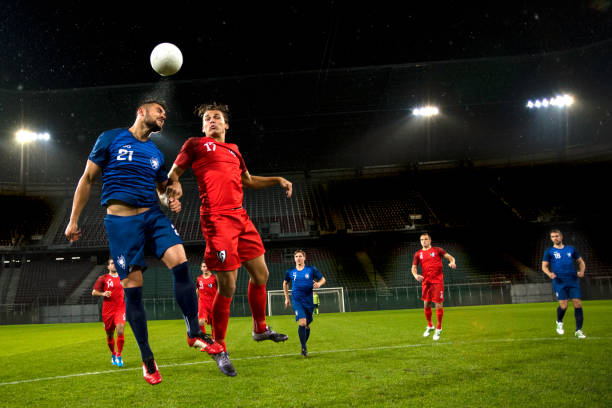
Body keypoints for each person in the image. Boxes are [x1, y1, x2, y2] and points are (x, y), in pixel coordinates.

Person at [65, 100, 222, 385]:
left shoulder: (155, 153)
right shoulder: (110, 138)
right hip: (122, 223)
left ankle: (194, 332)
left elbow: (163, 190)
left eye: (165, 113)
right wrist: (73, 219)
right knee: (133, 291)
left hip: (153, 216)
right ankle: (148, 359)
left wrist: (171, 197)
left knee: (182, 262)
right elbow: (87, 178)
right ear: (141, 111)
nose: (164, 115)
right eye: (159, 111)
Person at [167, 102, 291, 376]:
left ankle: (259, 328)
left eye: (217, 118)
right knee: (228, 286)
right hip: (216, 219)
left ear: (226, 125)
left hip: (241, 218)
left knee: (261, 274)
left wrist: (277, 179)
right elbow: (173, 174)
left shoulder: (234, 150)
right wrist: (172, 189)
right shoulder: (195, 145)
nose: (212, 121)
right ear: (203, 127)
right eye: (208, 119)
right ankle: (220, 347)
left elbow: (248, 180)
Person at [542, 229, 586, 339]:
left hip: (573, 280)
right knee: (564, 305)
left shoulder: (571, 249)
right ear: (551, 239)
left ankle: (578, 331)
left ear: (561, 237)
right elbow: (544, 266)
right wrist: (549, 274)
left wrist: (582, 271)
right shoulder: (549, 251)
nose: (555, 238)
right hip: (559, 281)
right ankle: (559, 321)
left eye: (557, 236)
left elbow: (580, 261)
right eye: (552, 237)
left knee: (578, 304)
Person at [411, 233, 456, 341]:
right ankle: (430, 325)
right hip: (426, 282)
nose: (423, 241)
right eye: (421, 239)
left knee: (438, 304)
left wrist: (452, 262)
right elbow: (413, 268)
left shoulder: (438, 250)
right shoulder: (418, 254)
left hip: (437, 282)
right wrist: (416, 275)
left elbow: (451, 258)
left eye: (426, 239)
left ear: (430, 240)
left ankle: (439, 327)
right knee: (426, 304)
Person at [283, 250, 326, 357]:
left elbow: (323, 279)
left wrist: (319, 284)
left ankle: (303, 344)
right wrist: (287, 298)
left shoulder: (311, 269)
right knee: (302, 322)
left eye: (300, 256)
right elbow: (285, 283)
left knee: (307, 325)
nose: (298, 258)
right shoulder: (290, 272)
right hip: (297, 300)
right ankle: (304, 348)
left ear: (304, 258)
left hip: (308, 300)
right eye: (296, 256)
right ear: (294, 259)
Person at [92, 258, 126, 367]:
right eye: (112, 264)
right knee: (110, 335)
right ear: (108, 267)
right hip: (107, 310)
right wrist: (103, 294)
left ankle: (119, 356)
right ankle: (113, 354)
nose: (114, 265)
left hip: (120, 308)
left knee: (120, 330)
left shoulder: (123, 277)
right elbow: (94, 292)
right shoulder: (103, 278)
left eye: (115, 263)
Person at [196, 260, 217, 340]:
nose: (205, 268)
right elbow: (197, 290)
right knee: (201, 322)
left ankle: (214, 340)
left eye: (207, 266)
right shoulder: (199, 279)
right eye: (204, 266)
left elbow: (219, 290)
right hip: (202, 303)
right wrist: (198, 300)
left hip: (213, 303)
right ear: (201, 268)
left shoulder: (215, 278)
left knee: (214, 324)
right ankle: (204, 341)